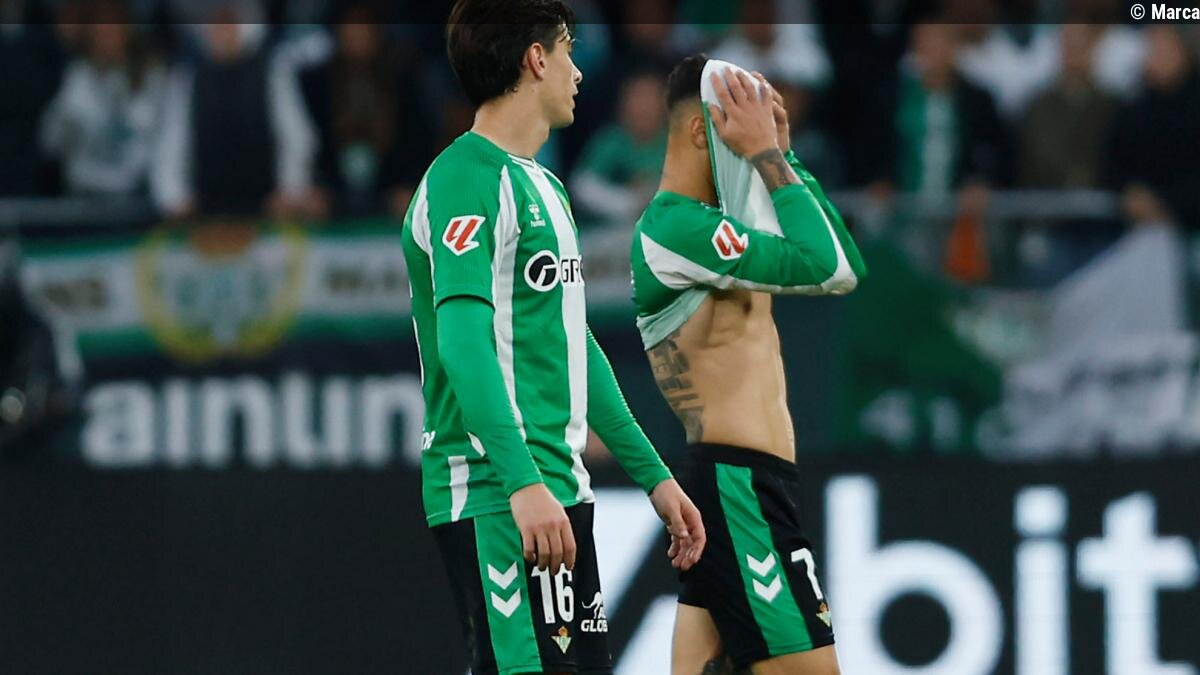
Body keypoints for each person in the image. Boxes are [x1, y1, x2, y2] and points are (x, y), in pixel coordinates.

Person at [400, 2, 705, 674]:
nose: (578, 72)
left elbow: (573, 345)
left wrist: (654, 476)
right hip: (497, 493)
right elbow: (464, 346)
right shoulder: (462, 179)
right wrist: (522, 483)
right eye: (568, 50)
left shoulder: (545, 186)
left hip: (559, 491)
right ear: (535, 59)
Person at [631, 56, 867, 674]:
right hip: (739, 487)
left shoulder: (711, 228)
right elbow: (830, 269)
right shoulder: (675, 229)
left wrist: (782, 155)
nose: (747, 139)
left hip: (744, 484)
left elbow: (845, 256)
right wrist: (766, 157)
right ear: (699, 130)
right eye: (735, 123)